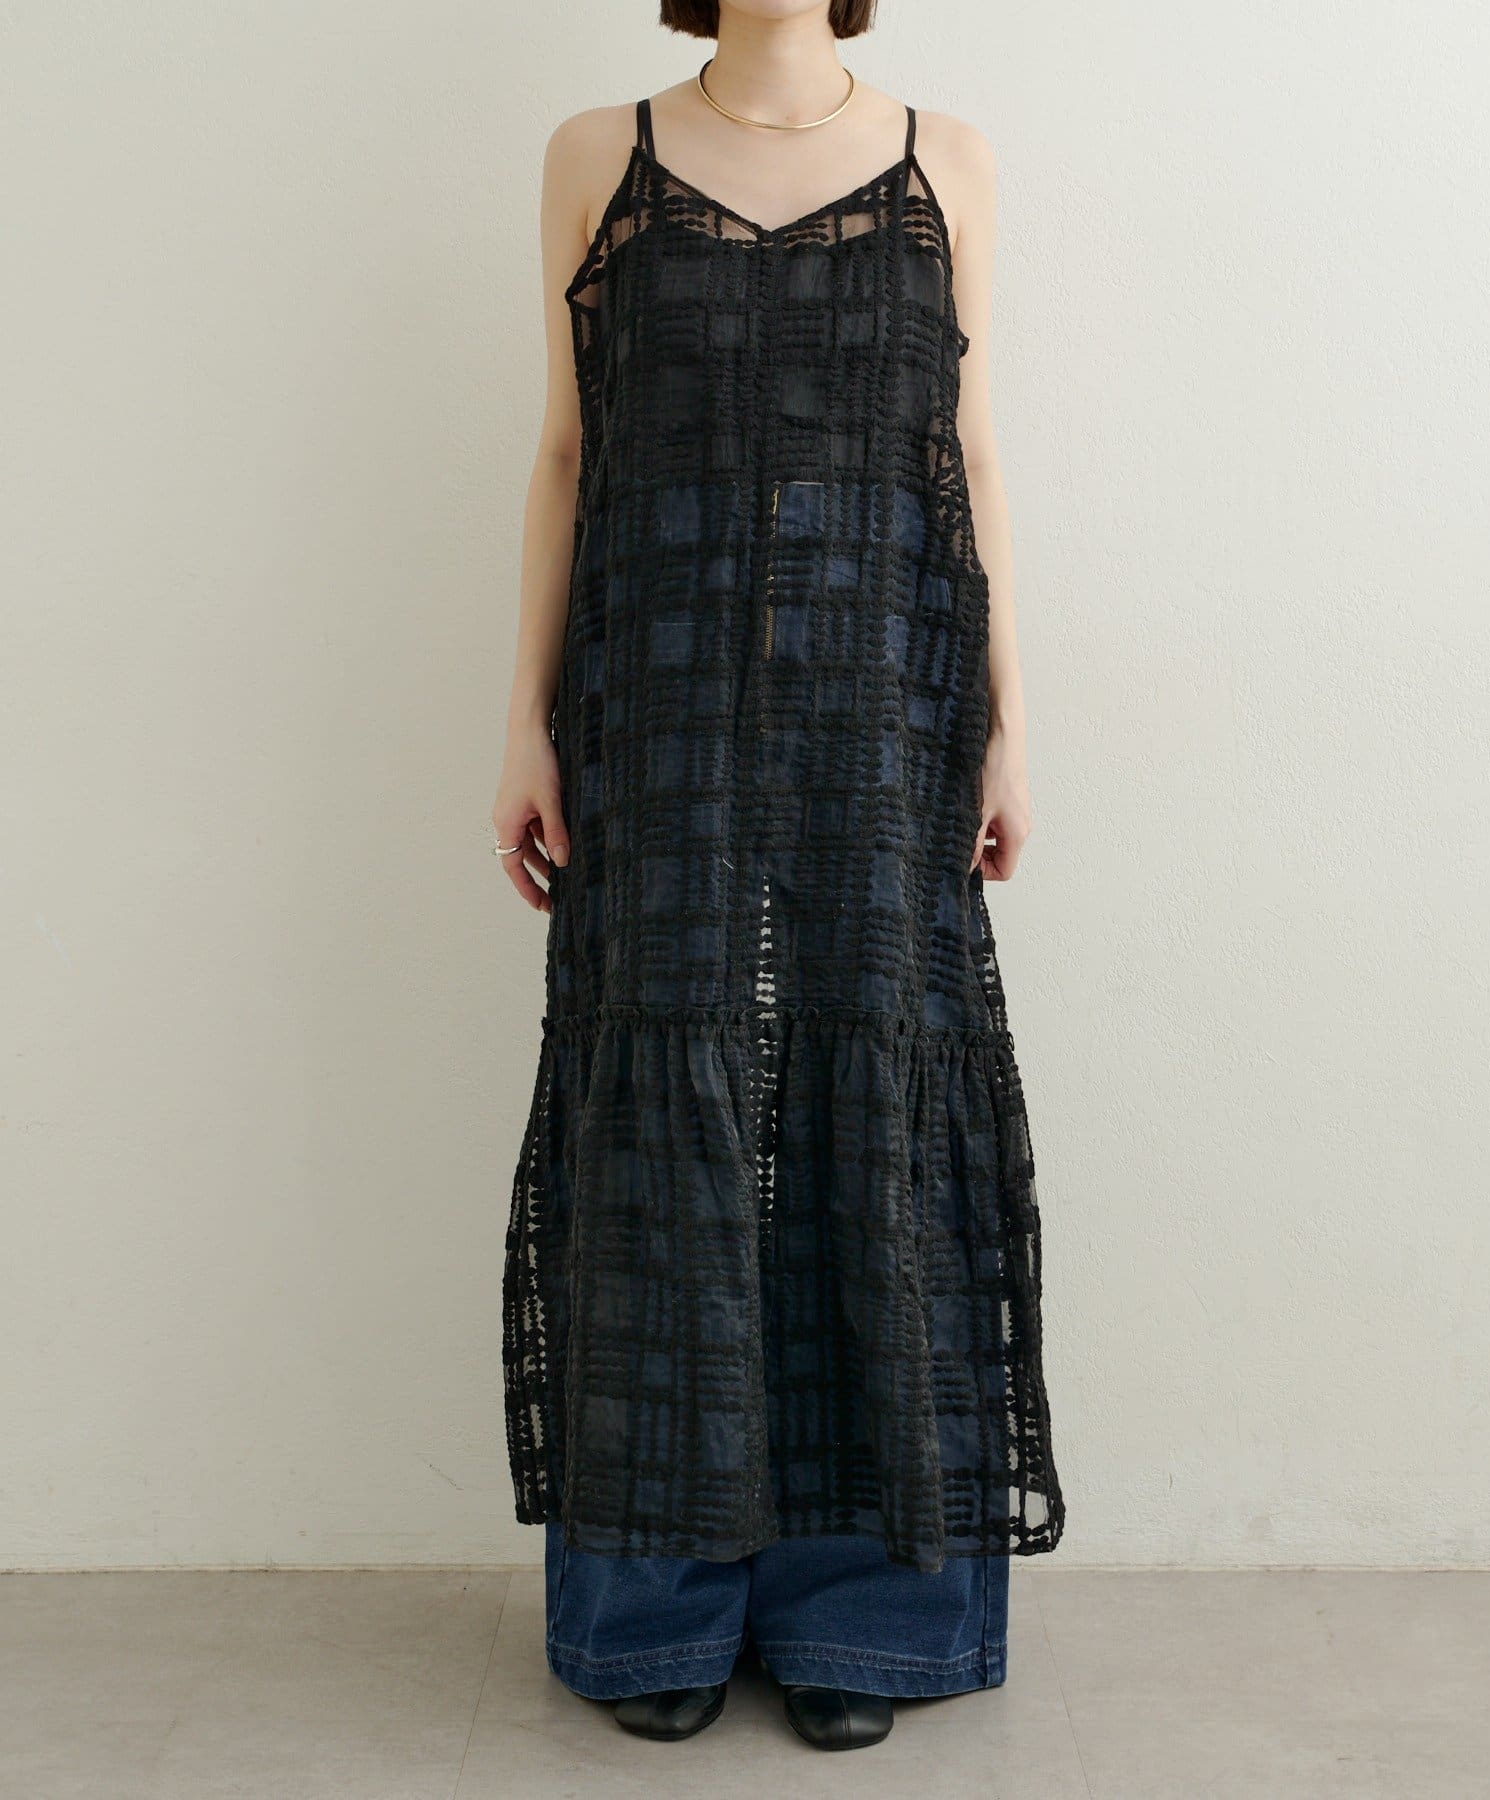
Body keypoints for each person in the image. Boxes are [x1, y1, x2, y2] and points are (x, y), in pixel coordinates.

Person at [493, 0, 1065, 1753]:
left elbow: (967, 454)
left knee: (867, 1105)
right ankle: (651, 1600)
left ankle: (865, 1612)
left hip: (883, 701)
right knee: (656, 1114)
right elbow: (569, 453)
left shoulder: (946, 162)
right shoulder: (597, 155)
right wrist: (522, 724)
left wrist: (1009, 726)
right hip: (651, 704)